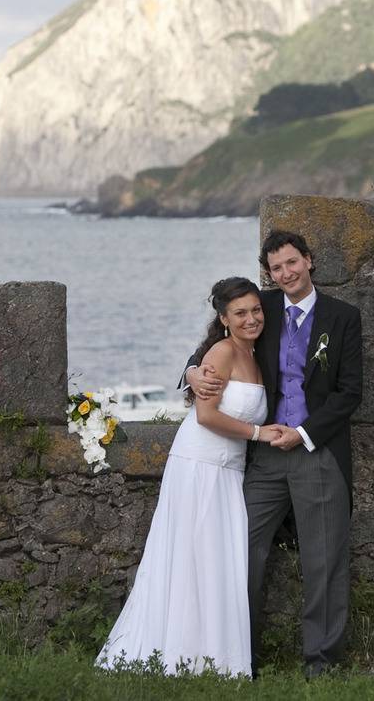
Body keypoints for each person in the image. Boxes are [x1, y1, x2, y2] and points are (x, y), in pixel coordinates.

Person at [182, 230, 363, 679]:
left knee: (324, 559)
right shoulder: (259, 310)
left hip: (317, 451)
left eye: (292, 263)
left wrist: (303, 433)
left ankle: (321, 663)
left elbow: (349, 393)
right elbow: (212, 346)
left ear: (309, 260)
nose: (286, 273)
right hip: (263, 458)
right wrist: (192, 370)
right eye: (276, 268)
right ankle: (237, 655)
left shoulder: (343, 317)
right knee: (241, 550)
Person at [96, 277, 285, 677]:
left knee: (216, 563)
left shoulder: (255, 352)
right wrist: (259, 433)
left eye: (255, 310)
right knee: (189, 560)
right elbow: (206, 416)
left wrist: (192, 370)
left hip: (228, 470)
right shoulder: (222, 351)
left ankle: (211, 657)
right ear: (224, 319)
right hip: (199, 465)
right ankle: (174, 654)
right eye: (240, 313)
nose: (251, 319)